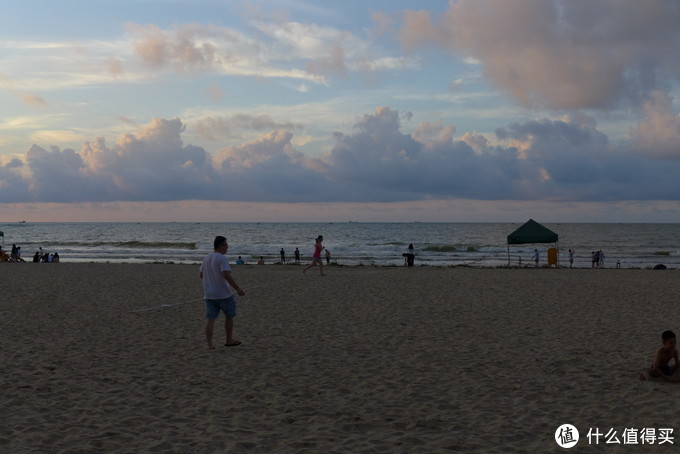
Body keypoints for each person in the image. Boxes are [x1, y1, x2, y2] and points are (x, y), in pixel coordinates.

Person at [200, 236, 246, 350]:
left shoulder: (206, 258)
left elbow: (201, 275)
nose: (227, 248)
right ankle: (229, 340)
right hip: (223, 294)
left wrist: (212, 279)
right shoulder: (221, 258)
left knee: (210, 319)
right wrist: (237, 288)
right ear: (220, 246)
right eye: (226, 245)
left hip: (209, 294)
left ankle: (210, 345)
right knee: (229, 316)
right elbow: (225, 274)